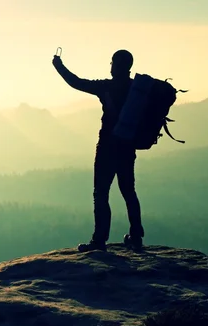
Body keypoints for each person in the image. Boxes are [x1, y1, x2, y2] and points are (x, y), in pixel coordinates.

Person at [52, 49, 144, 251]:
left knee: (101, 194)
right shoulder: (137, 89)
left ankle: (99, 240)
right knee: (128, 191)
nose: (110, 66)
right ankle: (136, 236)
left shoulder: (106, 87)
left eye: (112, 62)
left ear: (117, 65)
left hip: (107, 148)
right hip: (127, 148)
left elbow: (77, 82)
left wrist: (58, 66)